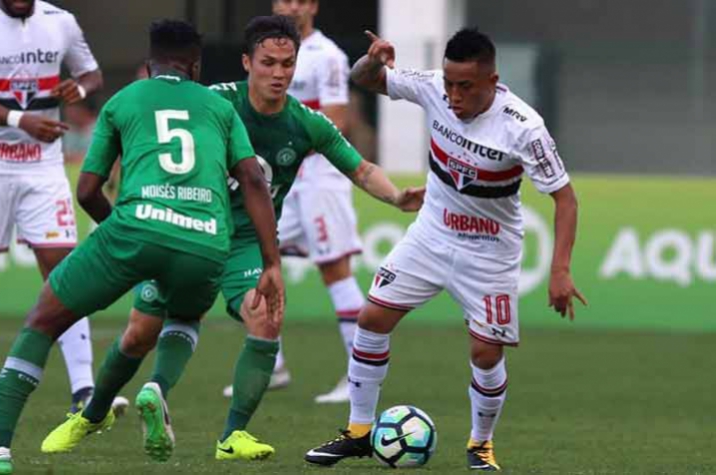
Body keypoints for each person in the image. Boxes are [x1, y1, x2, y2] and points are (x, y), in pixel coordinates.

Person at [0, 19, 283, 474]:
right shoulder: (218, 107)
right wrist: (271, 263)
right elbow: (253, 180)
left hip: (135, 228)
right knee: (183, 314)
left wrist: (124, 235)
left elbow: (87, 190)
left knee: (42, 322)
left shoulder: (124, 100)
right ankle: (158, 387)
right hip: (206, 242)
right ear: (196, 66)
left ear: (149, 64)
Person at [112, 15, 422, 462]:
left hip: (246, 245)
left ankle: (230, 435)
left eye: (287, 64)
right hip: (191, 230)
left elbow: (359, 168)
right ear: (247, 62)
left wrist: (395, 196)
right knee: (141, 331)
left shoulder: (304, 122)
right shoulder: (215, 103)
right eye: (268, 63)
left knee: (265, 319)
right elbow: (158, 123)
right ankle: (98, 404)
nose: (279, 74)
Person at [304, 28, 587, 471]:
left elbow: (565, 199)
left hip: (490, 254)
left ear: (493, 81)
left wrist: (561, 270)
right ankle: (359, 432)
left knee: (485, 354)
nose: (453, 95)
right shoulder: (433, 85)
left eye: (466, 87)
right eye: (450, 84)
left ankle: (481, 446)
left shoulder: (524, 127)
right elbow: (366, 79)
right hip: (431, 236)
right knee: (372, 318)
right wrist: (375, 60)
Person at [0, 0, 105, 425]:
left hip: (43, 164)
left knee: (64, 274)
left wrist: (82, 89)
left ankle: (84, 391)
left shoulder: (61, 21)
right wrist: (22, 120)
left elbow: (92, 73)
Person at [243, 0, 367, 404]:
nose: (292, 6)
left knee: (336, 270)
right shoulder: (267, 54)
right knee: (254, 259)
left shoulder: (327, 56)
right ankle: (272, 364)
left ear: (312, 5)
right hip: (282, 178)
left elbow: (337, 121)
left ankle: (359, 376)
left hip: (319, 179)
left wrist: (284, 142)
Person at [62, 100, 97, 164]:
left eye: (73, 109)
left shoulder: (102, 127)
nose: (69, 113)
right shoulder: (67, 130)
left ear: (85, 110)